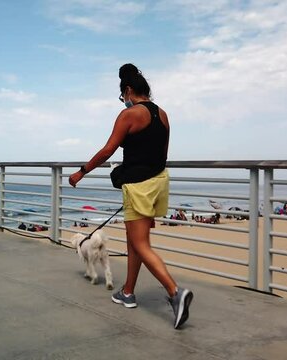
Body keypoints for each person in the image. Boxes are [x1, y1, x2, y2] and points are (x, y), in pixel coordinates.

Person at [68, 63, 193, 329]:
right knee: (134, 240)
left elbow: (107, 151)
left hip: (139, 185)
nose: (123, 100)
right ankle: (127, 292)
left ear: (127, 90)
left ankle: (175, 292)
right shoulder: (163, 114)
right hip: (159, 181)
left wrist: (81, 172)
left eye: (122, 96)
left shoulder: (129, 115)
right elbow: (162, 153)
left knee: (141, 244)